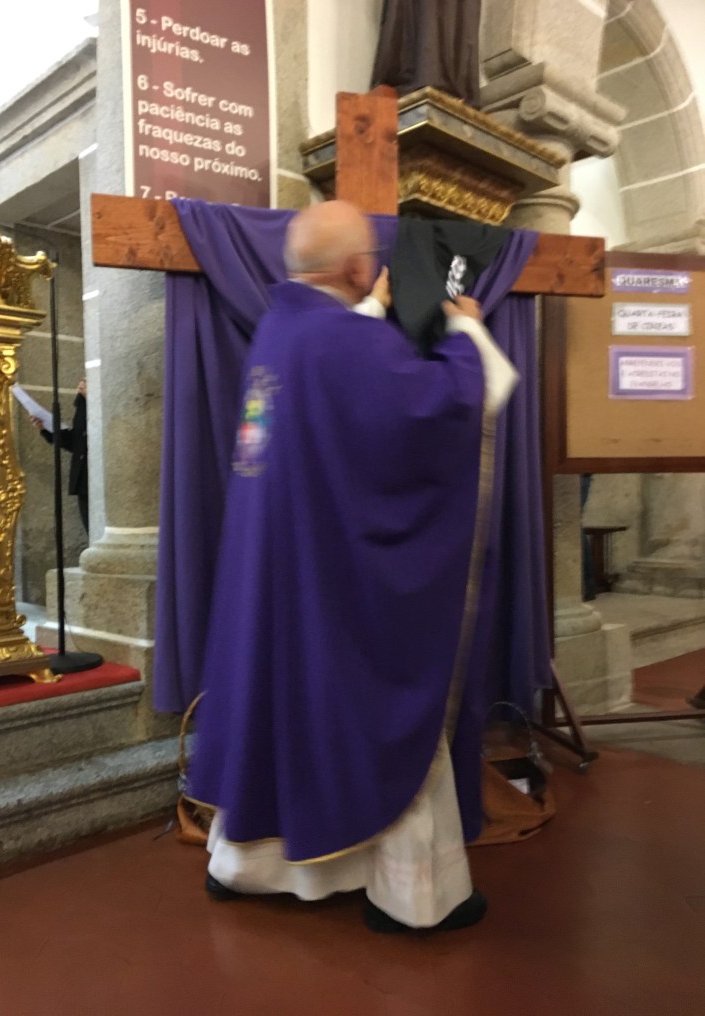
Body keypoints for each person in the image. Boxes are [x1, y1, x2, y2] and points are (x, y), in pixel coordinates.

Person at [186, 200, 517, 933]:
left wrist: (370, 317)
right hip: (339, 586)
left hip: (276, 578)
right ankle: (414, 898)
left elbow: (341, 387)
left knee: (278, 700)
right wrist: (466, 330)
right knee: (378, 702)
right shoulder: (341, 340)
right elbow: (436, 408)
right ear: (358, 268)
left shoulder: (279, 333)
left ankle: (248, 866)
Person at [31, 378, 88, 534]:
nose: (81, 385)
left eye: (86, 382)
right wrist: (46, 428)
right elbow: (77, 443)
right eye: (82, 380)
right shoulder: (83, 404)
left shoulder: (98, 402)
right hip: (84, 480)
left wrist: (94, 400)